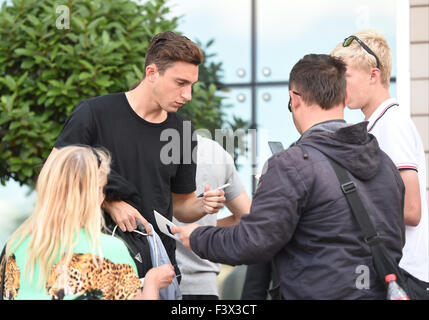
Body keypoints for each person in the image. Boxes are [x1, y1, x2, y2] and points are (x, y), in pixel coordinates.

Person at [172, 54, 406, 299]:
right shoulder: (386, 165)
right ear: (346, 98)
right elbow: (394, 240)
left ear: (294, 99)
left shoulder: (291, 165)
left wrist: (198, 236)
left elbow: (253, 242)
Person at [50, 31, 226, 277]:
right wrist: (110, 203)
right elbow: (53, 179)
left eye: (192, 86)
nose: (188, 96)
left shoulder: (183, 132)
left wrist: (203, 205)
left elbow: (180, 204)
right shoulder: (93, 114)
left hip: (159, 269)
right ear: (152, 73)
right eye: (180, 83)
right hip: (93, 267)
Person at [0, 145, 175, 300]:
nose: (103, 195)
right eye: (101, 188)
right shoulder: (108, 250)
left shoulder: (14, 245)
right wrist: (152, 282)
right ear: (94, 194)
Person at [331, 29, 429, 282]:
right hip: (396, 271)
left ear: (373, 75)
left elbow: (411, 210)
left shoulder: (391, 124)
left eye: (346, 76)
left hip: (404, 273)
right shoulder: (378, 125)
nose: (339, 85)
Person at [173, 134, 251, 300]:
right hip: (206, 286)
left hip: (156, 281)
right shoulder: (216, 152)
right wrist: (202, 230)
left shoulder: (144, 147)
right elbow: (247, 219)